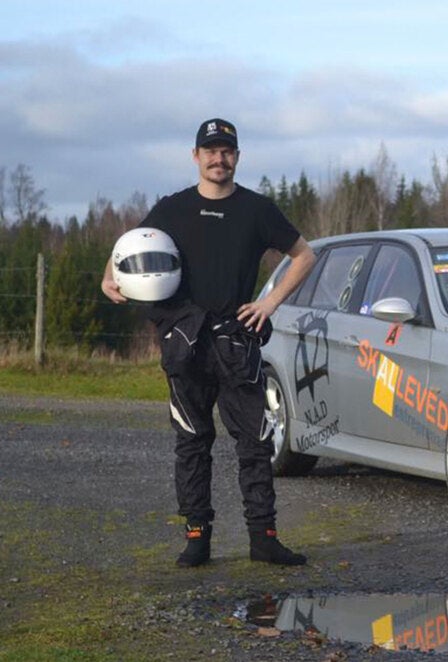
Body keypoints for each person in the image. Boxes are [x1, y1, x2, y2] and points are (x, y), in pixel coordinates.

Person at [101, 118, 317, 567]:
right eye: (211, 150)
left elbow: (304, 254)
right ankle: (197, 538)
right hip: (184, 340)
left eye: (227, 151)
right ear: (196, 156)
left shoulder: (257, 210)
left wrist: (270, 303)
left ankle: (264, 538)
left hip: (238, 341)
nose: (219, 158)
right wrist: (110, 276)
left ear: (237, 156)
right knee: (192, 442)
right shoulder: (172, 208)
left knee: (256, 442)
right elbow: (130, 245)